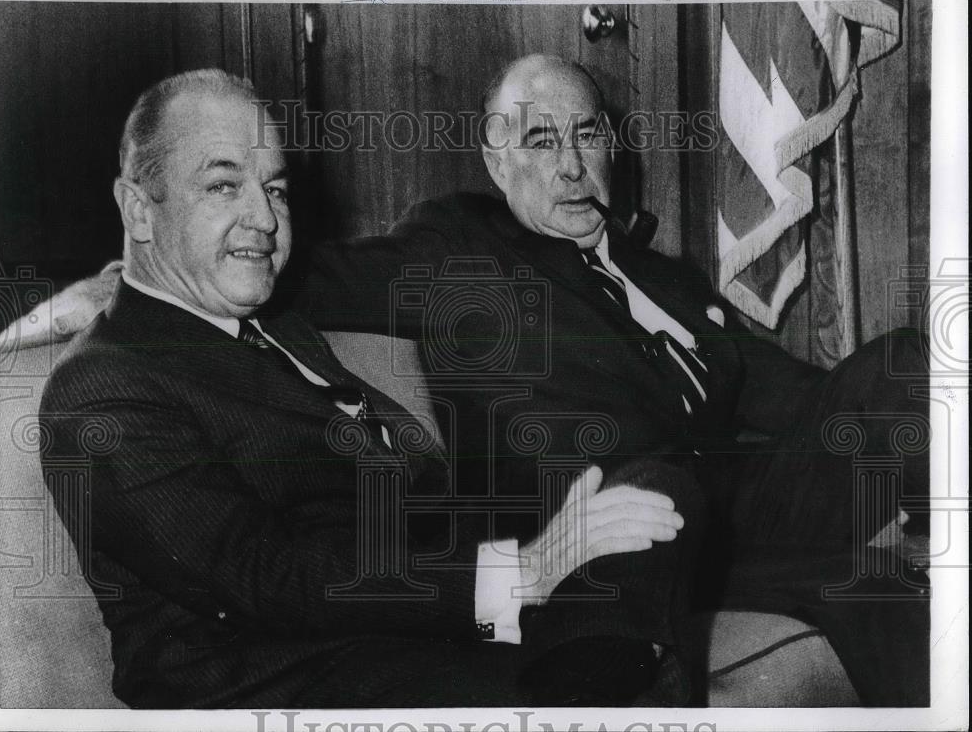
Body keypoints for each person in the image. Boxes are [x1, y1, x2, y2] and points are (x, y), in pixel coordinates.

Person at [38, 69, 692, 709]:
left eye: (276, 190)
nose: (264, 219)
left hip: (422, 619)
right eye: (223, 186)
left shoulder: (271, 320)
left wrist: (549, 548)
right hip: (294, 679)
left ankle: (584, 671)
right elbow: (268, 574)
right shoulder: (103, 385)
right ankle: (585, 684)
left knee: (655, 485)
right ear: (137, 209)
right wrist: (516, 574)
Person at [300, 54, 931, 706]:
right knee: (681, 500)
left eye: (587, 134)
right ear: (496, 162)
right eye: (541, 141)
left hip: (732, 520)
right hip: (603, 538)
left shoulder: (668, 279)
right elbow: (303, 280)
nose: (571, 165)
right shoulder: (460, 244)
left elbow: (796, 396)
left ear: (611, 144)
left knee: (901, 370)